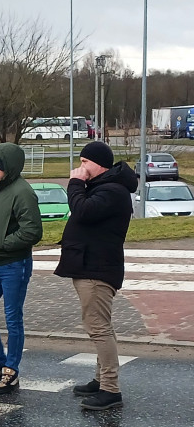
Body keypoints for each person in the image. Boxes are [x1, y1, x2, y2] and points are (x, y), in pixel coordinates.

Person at [54, 142, 137, 411]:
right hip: (91, 266)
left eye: (84, 162)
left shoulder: (112, 191)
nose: (80, 167)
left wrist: (75, 184)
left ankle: (111, 390)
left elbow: (83, 211)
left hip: (98, 270)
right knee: (101, 325)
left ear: (98, 164)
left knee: (98, 328)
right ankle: (101, 380)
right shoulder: (105, 188)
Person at [0, 143, 42, 394]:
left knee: (13, 318)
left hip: (14, 264)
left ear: (8, 168)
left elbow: (33, 231)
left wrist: (2, 245)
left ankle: (11, 369)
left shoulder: (22, 192)